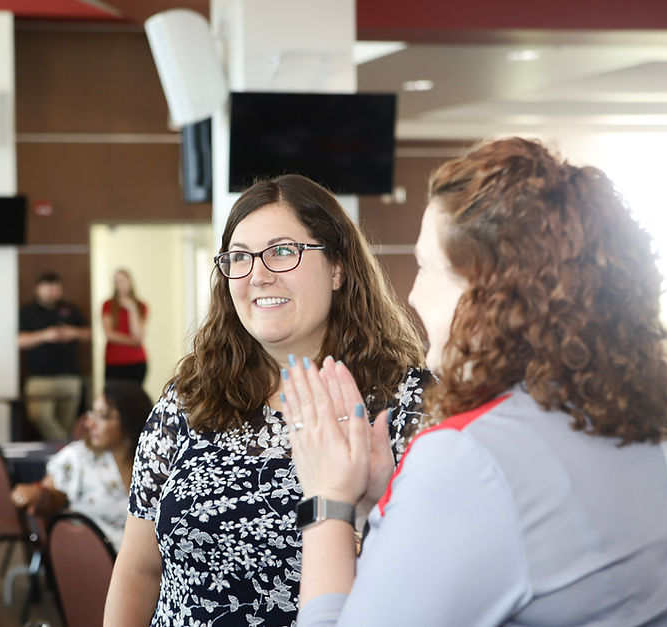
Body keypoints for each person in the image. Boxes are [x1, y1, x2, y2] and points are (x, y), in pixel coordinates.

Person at [279, 137, 667, 625]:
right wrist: (384, 505)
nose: (414, 294)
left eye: (427, 266)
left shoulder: (468, 457)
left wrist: (327, 500)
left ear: (489, 293)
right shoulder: (654, 443)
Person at [104, 174, 430, 626]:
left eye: (282, 251)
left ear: (337, 267)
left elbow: (431, 578)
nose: (258, 274)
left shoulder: (410, 404)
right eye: (239, 257)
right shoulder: (190, 398)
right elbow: (139, 569)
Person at [10, 379, 153, 550]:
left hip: (148, 562)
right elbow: (52, 495)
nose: (89, 423)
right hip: (96, 561)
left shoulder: (153, 462)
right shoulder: (79, 456)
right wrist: (38, 493)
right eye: (92, 413)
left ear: (130, 421)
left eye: (102, 416)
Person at [18, 271, 91, 441]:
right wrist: (45, 335)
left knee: (69, 423)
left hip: (69, 377)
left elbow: (89, 334)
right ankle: (66, 447)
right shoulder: (27, 311)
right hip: (39, 378)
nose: (52, 290)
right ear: (38, 289)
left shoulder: (71, 310)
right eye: (47, 286)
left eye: (55, 286)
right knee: (39, 416)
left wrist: (72, 332)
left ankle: (64, 452)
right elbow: (18, 340)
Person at [102, 268, 149, 384]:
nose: (119, 285)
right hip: (114, 360)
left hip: (136, 361)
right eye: (116, 282)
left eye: (122, 281)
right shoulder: (108, 305)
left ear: (130, 282)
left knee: (135, 397)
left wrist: (132, 310)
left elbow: (138, 335)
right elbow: (110, 334)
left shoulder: (141, 306)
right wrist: (133, 342)